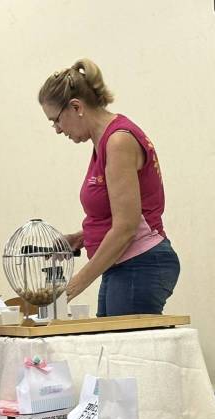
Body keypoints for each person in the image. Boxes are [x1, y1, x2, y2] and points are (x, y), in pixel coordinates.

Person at [39, 59, 179, 317]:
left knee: (123, 343)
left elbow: (126, 227)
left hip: (140, 262)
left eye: (56, 120)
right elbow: (120, 214)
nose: (57, 130)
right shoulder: (103, 142)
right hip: (124, 263)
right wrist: (81, 237)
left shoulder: (118, 141)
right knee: (108, 341)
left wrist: (71, 288)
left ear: (76, 107)